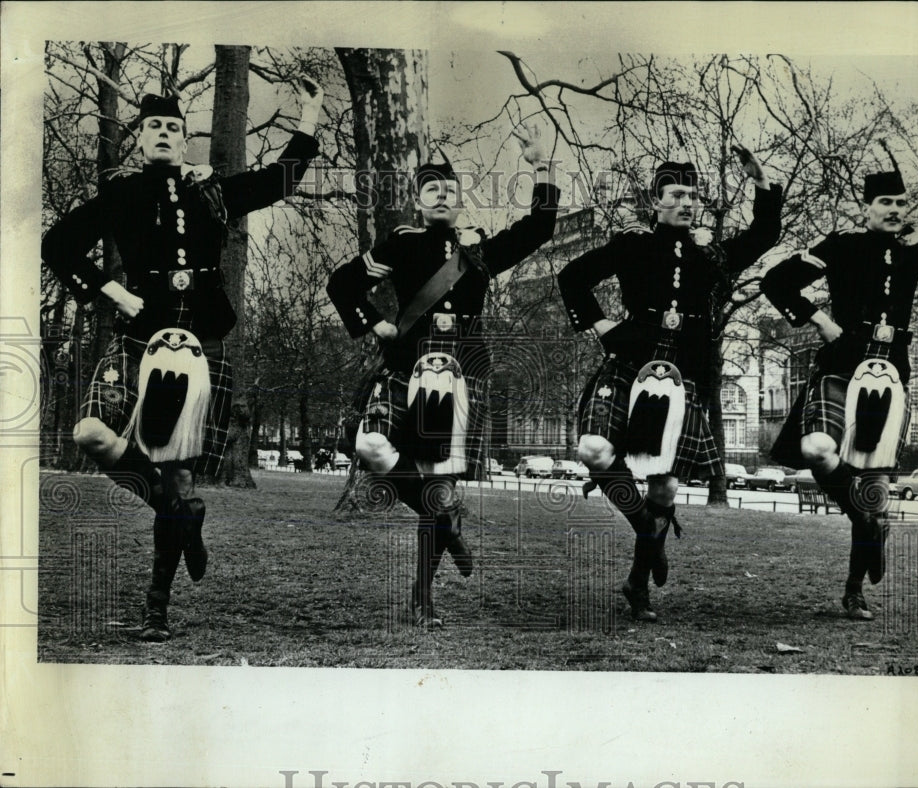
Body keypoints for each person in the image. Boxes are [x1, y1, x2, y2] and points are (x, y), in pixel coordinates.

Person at [42, 76, 324, 641]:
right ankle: (181, 514)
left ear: (185, 138)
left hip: (202, 341)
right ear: (140, 139)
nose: (165, 134)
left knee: (178, 474)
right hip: (138, 335)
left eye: (174, 127)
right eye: (155, 128)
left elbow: (282, 178)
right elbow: (57, 245)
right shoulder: (119, 194)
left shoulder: (212, 192)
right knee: (91, 433)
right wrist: (109, 290)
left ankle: (157, 607)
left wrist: (309, 117)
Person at [327, 124, 559, 627]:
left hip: (462, 374)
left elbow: (539, 229)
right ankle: (447, 522)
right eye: (433, 189)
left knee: (441, 484)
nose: (442, 196)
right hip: (405, 366)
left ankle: (423, 599)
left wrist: (541, 167)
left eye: (450, 191)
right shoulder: (400, 243)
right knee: (369, 446)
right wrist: (377, 324)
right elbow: (340, 284)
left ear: (459, 203)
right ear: (418, 198)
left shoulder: (477, 251)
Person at [558, 148, 782, 622]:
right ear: (655, 201)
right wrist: (602, 328)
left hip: (686, 373)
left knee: (665, 488)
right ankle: (646, 529)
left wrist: (761, 183)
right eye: (676, 194)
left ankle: (638, 585)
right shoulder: (633, 243)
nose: (687, 203)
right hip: (630, 362)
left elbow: (766, 234)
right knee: (594, 450)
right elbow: (573, 277)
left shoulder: (713, 255)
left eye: (693, 196)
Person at [761, 167, 918, 620]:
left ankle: (854, 592)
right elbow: (775, 282)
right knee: (817, 448)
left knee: (875, 488)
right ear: (865, 209)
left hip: (892, 373)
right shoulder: (841, 246)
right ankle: (865, 521)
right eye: (885, 204)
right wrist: (819, 320)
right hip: (841, 365)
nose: (894, 211)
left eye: (900, 204)